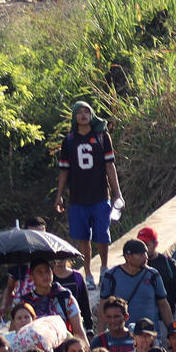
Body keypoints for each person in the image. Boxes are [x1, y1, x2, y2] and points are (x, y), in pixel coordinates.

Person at [56, 101, 122, 277]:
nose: (83, 115)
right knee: (83, 239)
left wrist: (117, 193)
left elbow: (110, 166)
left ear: (92, 115)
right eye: (79, 112)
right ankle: (88, 273)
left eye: (87, 112)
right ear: (74, 117)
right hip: (77, 198)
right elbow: (64, 170)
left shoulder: (102, 137)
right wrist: (59, 195)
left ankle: (104, 267)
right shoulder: (69, 141)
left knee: (102, 235)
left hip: (100, 195)